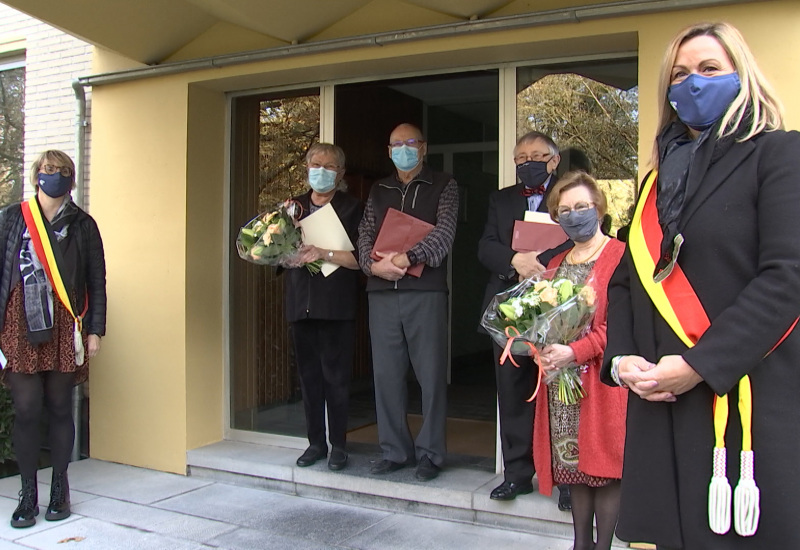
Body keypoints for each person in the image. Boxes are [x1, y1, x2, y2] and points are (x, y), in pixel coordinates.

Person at [602, 22, 800, 549]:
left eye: (710, 69)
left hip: (741, 399)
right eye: (680, 74)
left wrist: (697, 366)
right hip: (659, 399)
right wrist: (621, 360)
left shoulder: (779, 155)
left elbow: (787, 277)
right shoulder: (653, 180)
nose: (693, 83)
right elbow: (627, 281)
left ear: (742, 75)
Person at [0, 150, 106, 528]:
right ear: (36, 176)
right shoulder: (13, 218)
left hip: (66, 325)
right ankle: (27, 493)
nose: (55, 176)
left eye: (62, 172)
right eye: (48, 170)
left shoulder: (83, 225)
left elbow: (96, 279)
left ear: (71, 180)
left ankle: (60, 487)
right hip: (19, 326)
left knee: (61, 407)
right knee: (27, 410)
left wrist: (94, 330)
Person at [357, 123, 458, 482]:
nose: (403, 149)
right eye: (396, 144)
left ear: (423, 147)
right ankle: (394, 450)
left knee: (430, 375)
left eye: (410, 143)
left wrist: (407, 257)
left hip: (424, 292)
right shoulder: (379, 190)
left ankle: (430, 453)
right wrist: (374, 265)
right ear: (388, 151)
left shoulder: (444, 185)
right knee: (386, 375)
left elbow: (444, 234)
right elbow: (365, 233)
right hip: (382, 293)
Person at [477, 131, 571, 509]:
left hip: (559, 307)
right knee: (513, 392)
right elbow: (485, 245)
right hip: (509, 309)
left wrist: (543, 264)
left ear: (554, 159)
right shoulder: (500, 199)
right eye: (520, 158)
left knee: (559, 393)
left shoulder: (568, 196)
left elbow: (581, 239)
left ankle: (566, 479)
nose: (527, 163)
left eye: (536, 155)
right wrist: (514, 262)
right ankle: (517, 475)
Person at [533, 171, 626, 550]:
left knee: (604, 466)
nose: (574, 215)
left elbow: (621, 325)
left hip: (601, 380)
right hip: (562, 384)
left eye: (582, 207)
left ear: (599, 209)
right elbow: (540, 318)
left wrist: (577, 350)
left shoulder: (621, 256)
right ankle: (580, 544)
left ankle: (602, 545)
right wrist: (540, 344)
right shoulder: (556, 260)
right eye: (565, 209)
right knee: (573, 466)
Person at [285, 143, 362, 472]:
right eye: (315, 164)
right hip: (300, 302)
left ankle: (339, 445)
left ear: (340, 173)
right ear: (306, 167)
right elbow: (277, 252)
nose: (321, 171)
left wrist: (324, 252)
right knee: (309, 378)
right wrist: (283, 250)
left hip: (336, 305)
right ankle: (315, 442)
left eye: (329, 166)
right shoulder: (293, 208)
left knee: (336, 379)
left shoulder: (353, 208)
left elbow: (360, 260)